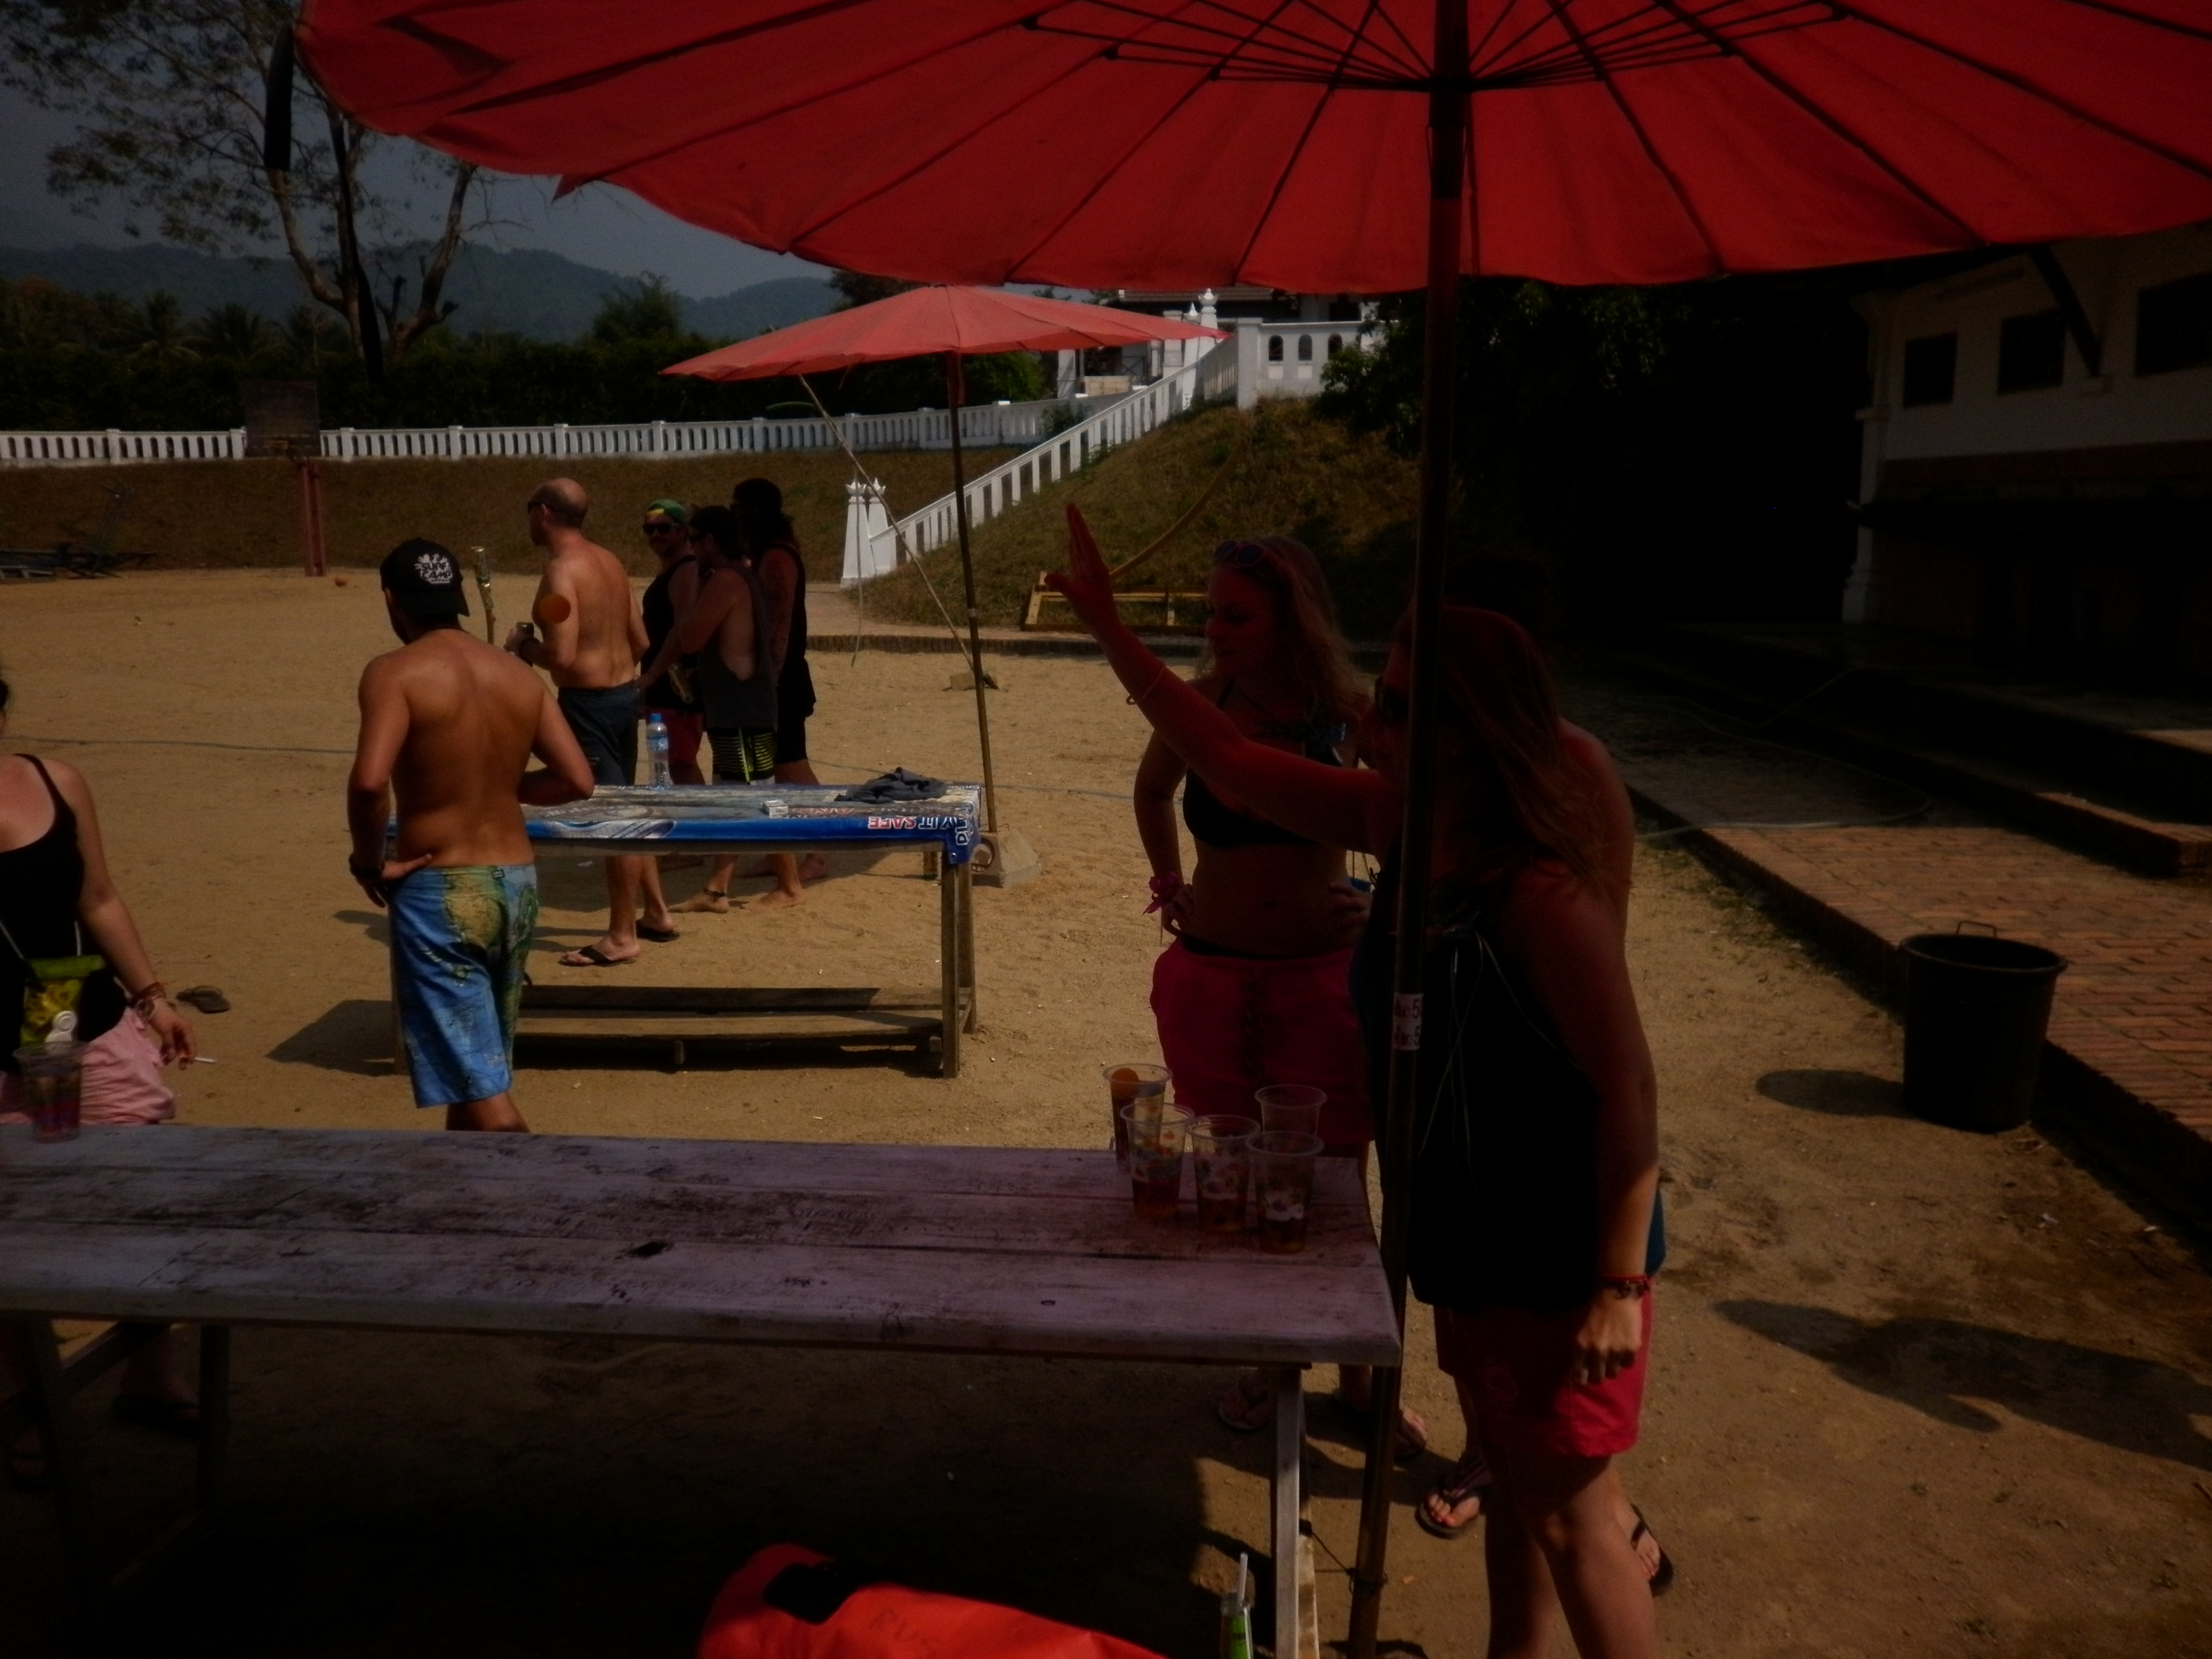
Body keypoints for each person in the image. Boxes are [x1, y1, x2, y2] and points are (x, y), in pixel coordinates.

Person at [1051, 506, 1663, 1659]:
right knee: (1519, 1488)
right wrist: (1108, 629)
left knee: (1575, 1516)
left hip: (1553, 1236)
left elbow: (1626, 1087)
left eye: (1393, 708)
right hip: (1466, 1217)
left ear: (1465, 735)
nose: (1367, 725)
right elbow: (1227, 759)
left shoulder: (1537, 889)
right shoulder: (1398, 819)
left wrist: (1618, 1284)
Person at [1130, 535, 1422, 1460]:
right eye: (1210, 612)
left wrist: (1380, 897)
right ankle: (1269, 1358)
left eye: (1236, 615)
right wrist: (1168, 880)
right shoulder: (1203, 706)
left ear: (1291, 619)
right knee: (1235, 1177)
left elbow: (1410, 820)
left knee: (1335, 1183)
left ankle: (1361, 1377)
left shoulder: (1348, 715)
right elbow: (1152, 790)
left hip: (1318, 983)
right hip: (1213, 977)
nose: (1215, 630)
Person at [1, 659, 202, 1481]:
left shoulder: (55, 781)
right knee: (14, 1233)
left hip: (88, 1026)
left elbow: (98, 898)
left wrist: (153, 996)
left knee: (142, 1202)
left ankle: (149, 1375)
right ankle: (30, 1407)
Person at [352, 538, 596, 1131]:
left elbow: (369, 782)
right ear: (457, 598)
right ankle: (469, 1186)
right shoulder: (516, 674)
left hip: (442, 887)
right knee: (475, 1070)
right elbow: (577, 779)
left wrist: (367, 862)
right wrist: (498, 784)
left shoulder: (394, 673)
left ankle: (546, 1180)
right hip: (515, 883)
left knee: (482, 1088)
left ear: (391, 599)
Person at [505, 477, 678, 967]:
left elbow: (561, 656)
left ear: (543, 513)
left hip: (590, 705)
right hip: (624, 696)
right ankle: (657, 912)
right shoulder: (609, 562)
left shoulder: (562, 571)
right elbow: (641, 642)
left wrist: (523, 646)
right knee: (626, 805)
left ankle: (622, 935)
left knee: (613, 819)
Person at [642, 505, 778, 906]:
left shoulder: (725, 580)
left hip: (741, 709)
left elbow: (691, 637)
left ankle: (722, 888)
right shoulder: (739, 576)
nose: (691, 548)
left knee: (744, 797)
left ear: (711, 541)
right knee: (751, 793)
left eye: (694, 540)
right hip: (740, 707)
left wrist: (688, 597)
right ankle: (734, 886)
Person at [737, 476, 826, 905]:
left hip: (782, 680)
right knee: (777, 769)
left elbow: (779, 625)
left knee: (792, 769)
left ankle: (819, 852)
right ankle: (784, 851)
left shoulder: (776, 557)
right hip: (779, 677)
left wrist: (767, 682)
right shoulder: (771, 552)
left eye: (739, 508)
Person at [639, 498, 706, 787]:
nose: (656, 535)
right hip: (666, 685)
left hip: (677, 685)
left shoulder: (685, 570)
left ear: (682, 531)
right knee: (672, 762)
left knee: (681, 762)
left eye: (664, 528)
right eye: (649, 529)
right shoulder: (674, 571)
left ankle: (701, 814)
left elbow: (682, 630)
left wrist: (653, 674)